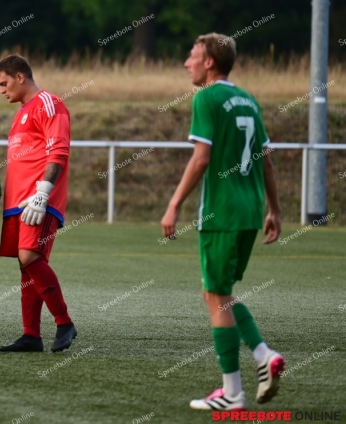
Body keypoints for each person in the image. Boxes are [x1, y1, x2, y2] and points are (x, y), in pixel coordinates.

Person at [160, 33, 284, 411]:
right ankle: (262, 355)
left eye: (192, 56)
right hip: (248, 213)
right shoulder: (248, 100)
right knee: (218, 294)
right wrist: (274, 210)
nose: (187, 63)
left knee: (216, 295)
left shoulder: (206, 97)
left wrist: (174, 203)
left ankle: (234, 391)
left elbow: (201, 158)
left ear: (209, 62)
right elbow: (265, 161)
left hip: (221, 214)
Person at [0, 54, 77, 353]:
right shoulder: (21, 112)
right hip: (18, 202)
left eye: (4, 83)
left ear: (20, 77)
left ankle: (64, 322)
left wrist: (42, 194)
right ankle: (31, 335)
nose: (2, 90)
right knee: (25, 267)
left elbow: (59, 153)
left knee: (30, 257)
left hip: (38, 199)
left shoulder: (50, 103)